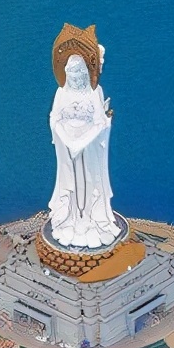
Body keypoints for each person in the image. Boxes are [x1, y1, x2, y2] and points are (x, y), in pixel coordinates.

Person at [48, 53, 121, 248]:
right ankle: (71, 220)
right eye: (71, 73)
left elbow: (99, 122)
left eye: (79, 72)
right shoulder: (61, 94)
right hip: (67, 146)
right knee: (71, 184)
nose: (75, 77)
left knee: (89, 183)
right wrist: (68, 140)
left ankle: (89, 222)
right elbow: (54, 119)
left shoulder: (94, 93)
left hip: (88, 147)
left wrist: (81, 142)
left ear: (86, 73)